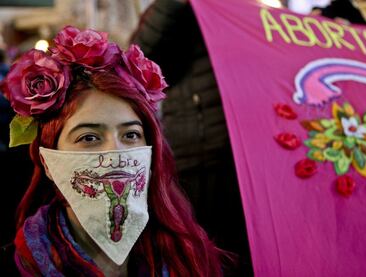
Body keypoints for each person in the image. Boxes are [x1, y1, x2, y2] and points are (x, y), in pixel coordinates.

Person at [0, 25, 224, 276]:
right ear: (48, 162)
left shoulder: (196, 260)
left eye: (130, 135)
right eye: (89, 137)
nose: (115, 153)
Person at [130, 1, 253, 275]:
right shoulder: (176, 8)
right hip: (200, 149)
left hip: (245, 154)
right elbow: (140, 62)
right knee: (204, 252)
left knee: (241, 250)